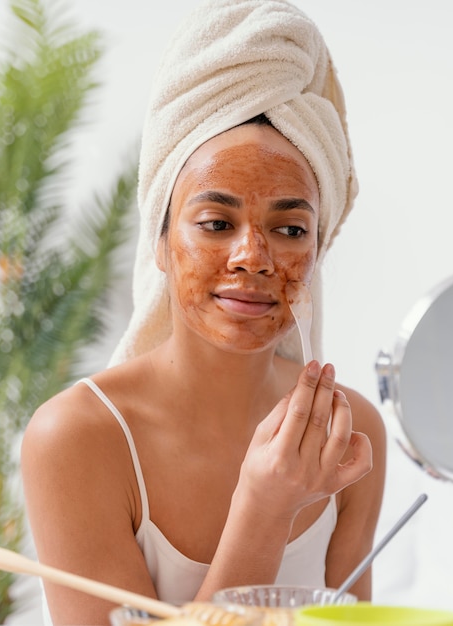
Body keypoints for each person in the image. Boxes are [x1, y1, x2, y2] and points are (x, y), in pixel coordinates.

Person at [21, 0, 387, 624]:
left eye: (291, 229)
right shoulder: (79, 440)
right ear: (160, 244)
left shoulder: (348, 438)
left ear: (318, 249)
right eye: (216, 223)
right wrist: (264, 507)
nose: (253, 256)